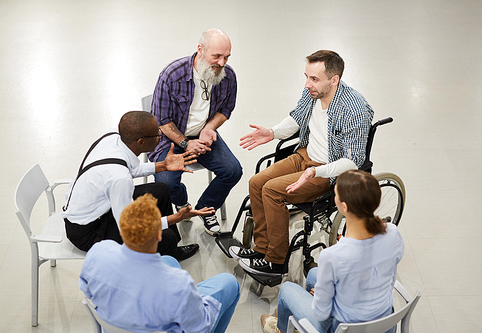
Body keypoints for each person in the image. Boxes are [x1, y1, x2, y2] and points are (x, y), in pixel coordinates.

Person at [231, 50, 374, 275]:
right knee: (257, 182)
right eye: (306, 76)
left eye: (314, 78)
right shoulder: (314, 92)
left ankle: (276, 262)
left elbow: (353, 161)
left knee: (271, 191)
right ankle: (262, 248)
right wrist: (272, 132)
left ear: (334, 80)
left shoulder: (354, 109)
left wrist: (316, 172)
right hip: (304, 155)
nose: (307, 84)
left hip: (327, 171)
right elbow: (297, 118)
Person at [260, 170, 404, 333]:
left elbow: (322, 313)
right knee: (314, 273)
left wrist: (326, 299)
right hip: (384, 322)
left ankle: (282, 328)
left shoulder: (334, 256)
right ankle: (297, 321)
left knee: (287, 290)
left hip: (344, 328)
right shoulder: (392, 232)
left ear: (344, 207)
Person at [63, 111, 214, 261]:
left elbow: (130, 168)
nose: (160, 136)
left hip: (101, 207)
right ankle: (163, 262)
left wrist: (163, 165)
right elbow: (128, 228)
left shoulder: (113, 137)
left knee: (160, 190)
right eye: (157, 135)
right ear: (141, 142)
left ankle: (171, 251)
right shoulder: (119, 179)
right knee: (165, 237)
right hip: (88, 233)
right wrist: (174, 218)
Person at [79, 194, 241, 333]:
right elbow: (200, 327)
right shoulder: (179, 284)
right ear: (159, 235)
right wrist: (195, 299)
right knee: (230, 283)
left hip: (115, 325)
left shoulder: (98, 252)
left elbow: (88, 292)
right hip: (165, 318)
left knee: (168, 261)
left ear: (121, 231)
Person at [149, 28, 243, 236]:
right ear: (200, 50)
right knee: (166, 183)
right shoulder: (172, 75)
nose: (222, 63)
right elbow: (162, 121)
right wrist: (186, 143)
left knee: (233, 171)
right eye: (216, 56)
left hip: (202, 134)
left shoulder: (228, 77)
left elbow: (225, 110)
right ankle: (182, 204)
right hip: (169, 138)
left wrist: (209, 128)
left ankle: (205, 209)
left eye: (226, 57)